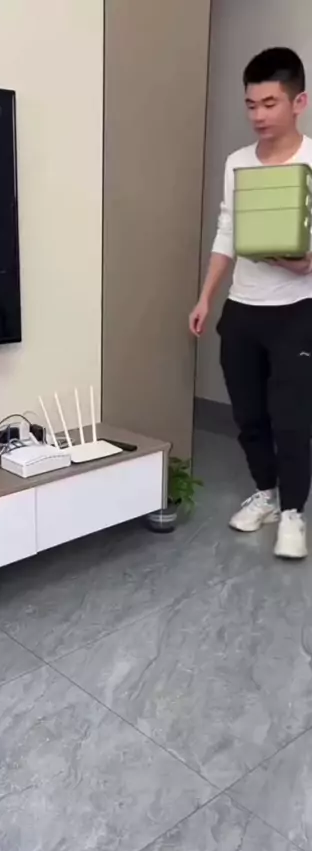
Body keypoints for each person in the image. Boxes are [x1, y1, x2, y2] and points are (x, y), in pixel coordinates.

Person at [190, 47, 312, 559]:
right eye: (250, 104)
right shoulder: (237, 162)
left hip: (298, 311)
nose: (258, 115)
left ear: (298, 102)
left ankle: (293, 513)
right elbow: (227, 229)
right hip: (243, 308)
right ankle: (265, 493)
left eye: (269, 103)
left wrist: (302, 264)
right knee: (249, 414)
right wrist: (206, 297)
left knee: (292, 419)